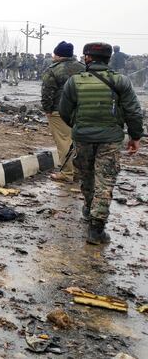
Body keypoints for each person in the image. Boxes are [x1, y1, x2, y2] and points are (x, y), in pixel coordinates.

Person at [59, 42, 143, 245]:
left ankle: (89, 209)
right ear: (108, 59)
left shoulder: (74, 82)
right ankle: (96, 229)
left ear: (87, 58)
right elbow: (133, 111)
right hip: (110, 140)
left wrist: (79, 126)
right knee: (105, 182)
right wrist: (135, 136)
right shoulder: (120, 81)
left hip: (83, 138)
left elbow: (64, 111)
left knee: (87, 178)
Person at [41, 41, 85, 183]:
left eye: (55, 54)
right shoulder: (84, 68)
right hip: (82, 110)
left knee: (64, 141)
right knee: (80, 141)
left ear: (59, 55)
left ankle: (68, 173)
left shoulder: (54, 69)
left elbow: (47, 92)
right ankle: (81, 171)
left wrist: (47, 109)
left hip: (59, 111)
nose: (53, 56)